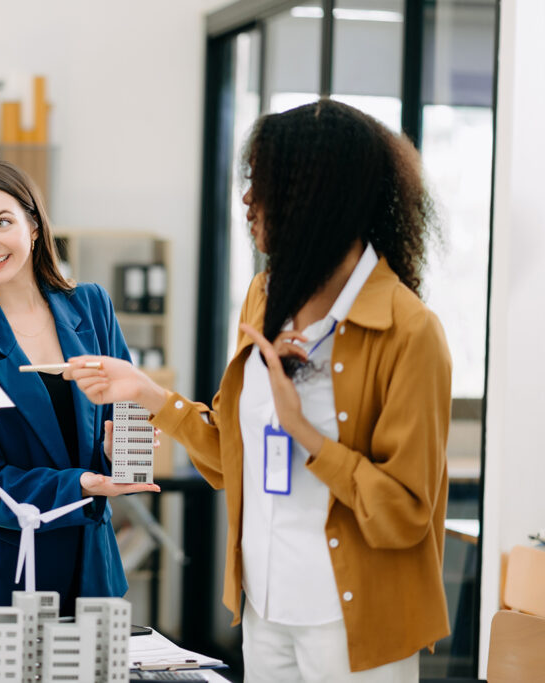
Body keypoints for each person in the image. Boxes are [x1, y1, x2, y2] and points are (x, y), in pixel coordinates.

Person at [66, 99, 451, 680]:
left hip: (354, 624)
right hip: (265, 609)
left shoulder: (409, 330)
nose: (248, 199)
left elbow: (404, 515)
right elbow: (232, 459)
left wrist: (306, 435)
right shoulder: (265, 297)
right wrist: (148, 395)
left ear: (321, 195)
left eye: (264, 183)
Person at [0, 159, 160, 615]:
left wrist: (123, 450)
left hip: (91, 572)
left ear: (33, 225)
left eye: (2, 222)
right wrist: (81, 483)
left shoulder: (91, 307)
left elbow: (127, 416)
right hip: (5, 578)